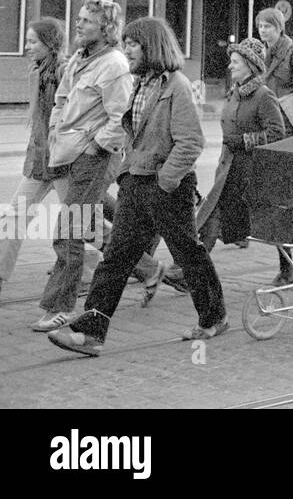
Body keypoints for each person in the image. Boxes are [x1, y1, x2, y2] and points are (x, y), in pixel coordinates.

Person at [49, 18, 225, 357]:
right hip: (136, 182)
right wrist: (126, 171)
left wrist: (165, 180)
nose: (126, 49)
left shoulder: (177, 86)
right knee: (115, 258)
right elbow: (132, 133)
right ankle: (90, 332)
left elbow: (190, 142)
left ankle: (214, 315)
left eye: (133, 44)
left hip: (166, 187)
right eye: (125, 42)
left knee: (188, 253)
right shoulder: (139, 84)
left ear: (153, 47)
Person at [15, 1, 135, 333]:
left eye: (87, 21)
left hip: (94, 157)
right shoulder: (81, 60)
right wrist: (55, 130)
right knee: (85, 225)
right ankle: (145, 268)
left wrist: (96, 146)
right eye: (79, 19)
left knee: (69, 229)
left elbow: (120, 118)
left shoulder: (114, 65)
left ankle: (60, 307)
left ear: (105, 27)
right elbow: (61, 100)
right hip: (68, 153)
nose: (78, 26)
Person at [161, 38, 285, 291]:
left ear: (250, 66)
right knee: (210, 216)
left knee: (252, 221)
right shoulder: (236, 93)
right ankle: (187, 270)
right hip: (228, 169)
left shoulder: (263, 96)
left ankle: (187, 270)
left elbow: (276, 133)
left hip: (248, 173)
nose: (230, 66)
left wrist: (243, 141)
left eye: (236, 62)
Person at [0, 20, 68, 303]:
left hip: (64, 162)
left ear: (50, 43)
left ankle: (148, 268)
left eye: (32, 42)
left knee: (84, 225)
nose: (27, 47)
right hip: (39, 162)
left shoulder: (66, 72)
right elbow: (38, 122)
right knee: (13, 218)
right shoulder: (36, 72)